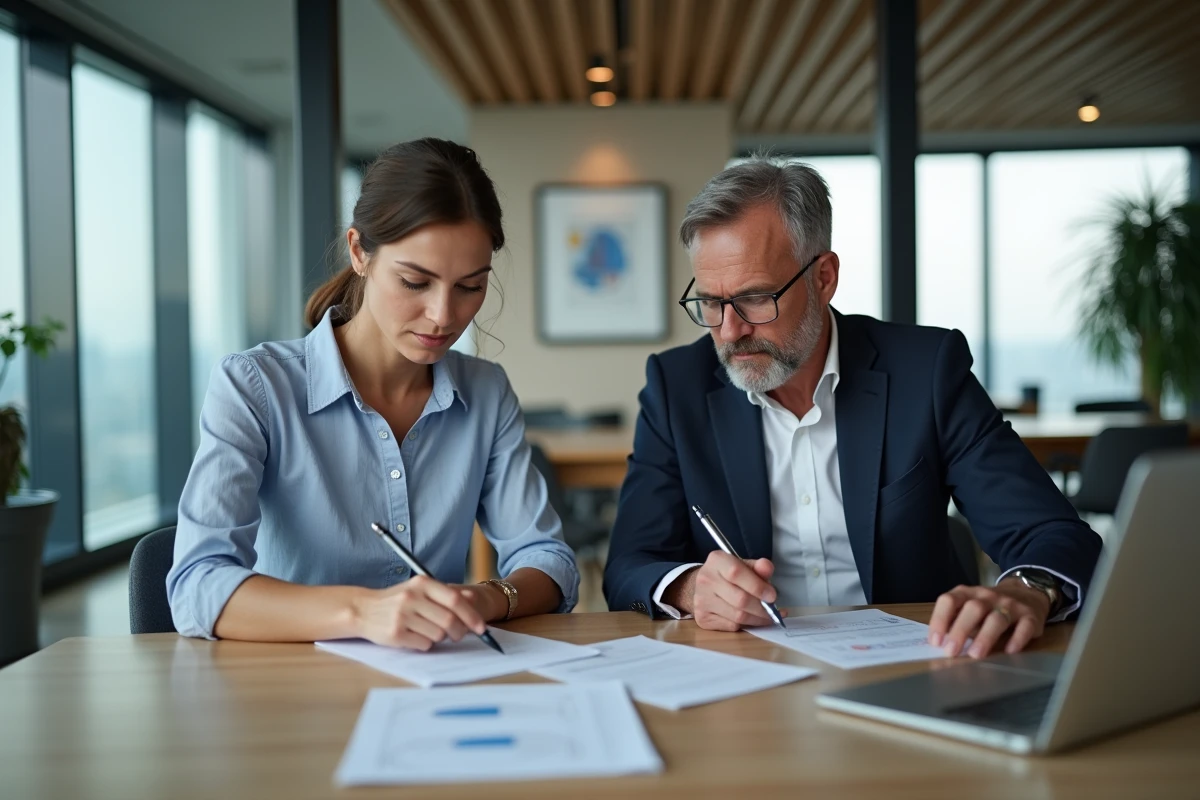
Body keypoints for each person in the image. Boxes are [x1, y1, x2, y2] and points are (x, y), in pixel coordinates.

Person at [603, 157, 1101, 660]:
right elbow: (627, 566)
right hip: (750, 668)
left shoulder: (926, 371)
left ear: (823, 278)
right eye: (710, 303)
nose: (730, 331)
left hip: (914, 665)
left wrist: (1028, 589)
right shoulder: (676, 388)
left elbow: (1052, 533)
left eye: (755, 298)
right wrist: (689, 588)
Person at [168, 138, 578, 648]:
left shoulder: (486, 392)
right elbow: (197, 585)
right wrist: (364, 613)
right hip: (290, 678)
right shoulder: (255, 387)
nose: (443, 316)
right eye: (414, 282)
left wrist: (483, 599)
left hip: (438, 674)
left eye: (470, 287)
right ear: (360, 252)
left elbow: (549, 559)